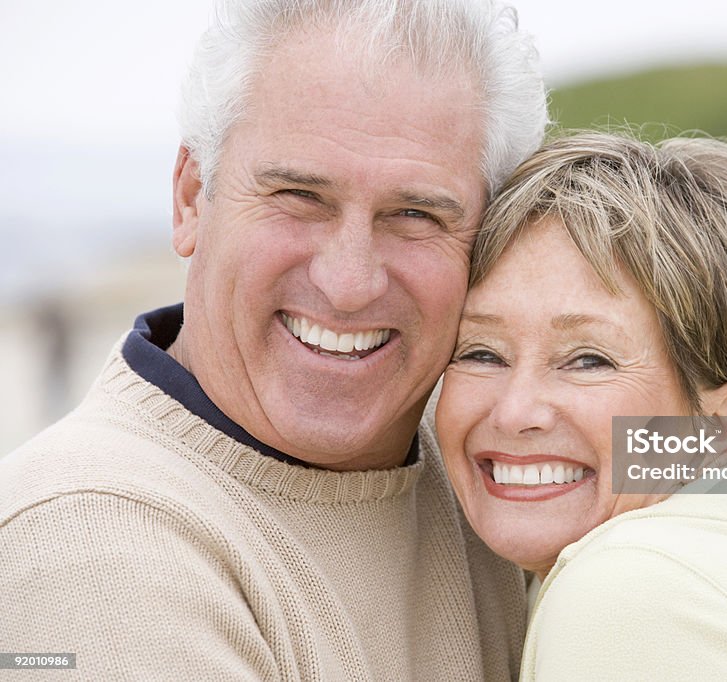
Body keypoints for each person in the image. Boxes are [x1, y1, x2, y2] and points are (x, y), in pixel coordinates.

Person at [0, 0, 547, 678]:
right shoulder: (91, 544)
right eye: (298, 196)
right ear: (192, 198)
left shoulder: (489, 444)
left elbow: (710, 459)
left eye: (414, 213)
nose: (349, 283)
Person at [437, 132, 727, 680]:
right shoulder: (706, 565)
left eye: (588, 360)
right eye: (480, 352)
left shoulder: (629, 586)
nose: (513, 411)